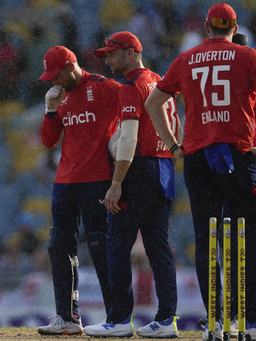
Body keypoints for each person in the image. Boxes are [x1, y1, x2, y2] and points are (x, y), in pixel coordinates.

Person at [145, 3, 256, 341]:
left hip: (198, 157)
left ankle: (215, 322)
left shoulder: (187, 58)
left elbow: (153, 102)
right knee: (247, 237)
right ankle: (248, 321)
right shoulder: (249, 57)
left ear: (207, 28)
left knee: (206, 237)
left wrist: (173, 144)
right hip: (240, 154)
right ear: (234, 28)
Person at [84, 31, 179, 338]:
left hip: (139, 167)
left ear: (129, 52)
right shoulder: (159, 79)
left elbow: (128, 138)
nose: (107, 60)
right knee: (158, 247)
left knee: (117, 244)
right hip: (164, 167)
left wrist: (116, 183)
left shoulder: (131, 85)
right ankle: (167, 320)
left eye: (111, 54)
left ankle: (120, 319)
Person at [36, 45, 121, 335]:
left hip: (97, 179)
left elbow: (133, 111)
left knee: (101, 247)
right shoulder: (60, 97)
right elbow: (48, 141)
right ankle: (67, 319)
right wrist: (50, 111)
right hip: (65, 181)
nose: (52, 81)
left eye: (56, 75)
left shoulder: (104, 87)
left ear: (70, 67)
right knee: (59, 245)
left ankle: (116, 318)